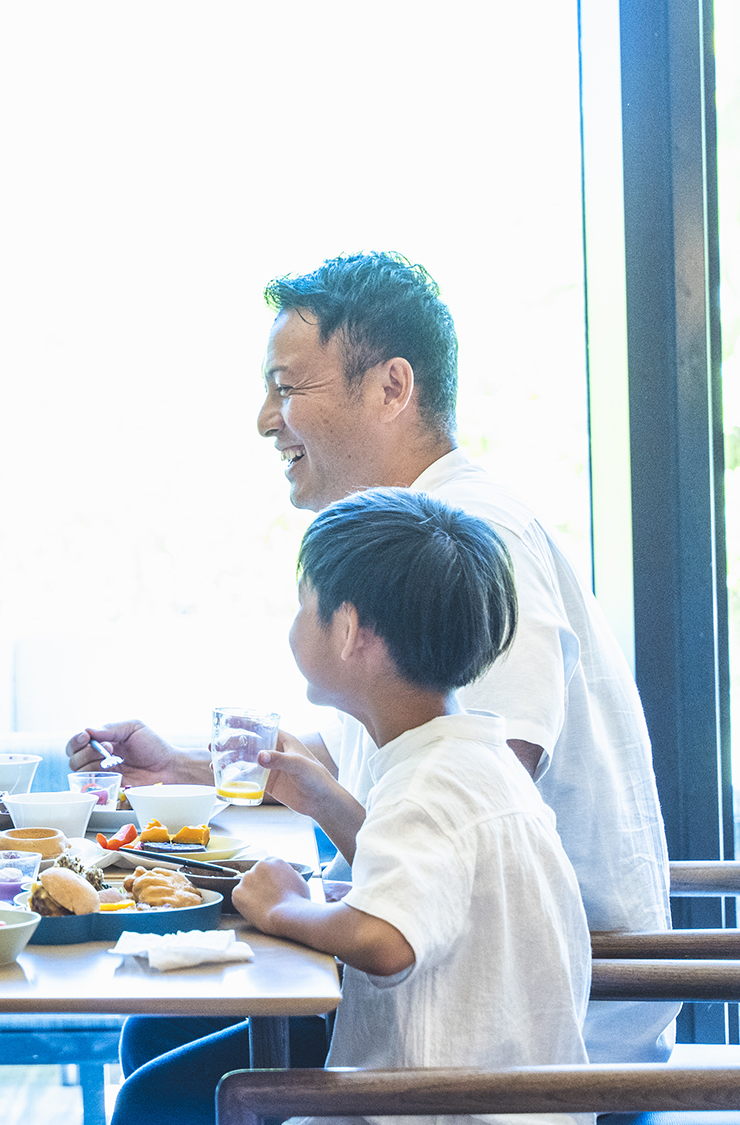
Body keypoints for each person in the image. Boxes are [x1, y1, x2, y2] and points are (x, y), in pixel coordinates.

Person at [68, 251, 674, 1064]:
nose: (264, 418)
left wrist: (294, 903)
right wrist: (184, 765)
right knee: (157, 1027)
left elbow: (461, 817)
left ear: (392, 386)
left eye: (287, 388)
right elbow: (397, 761)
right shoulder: (426, 542)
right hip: (458, 978)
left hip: (518, 1027)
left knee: (162, 1087)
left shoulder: (464, 543)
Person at [113, 488, 592, 1125]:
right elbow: (428, 880)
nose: (292, 625)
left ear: (348, 630)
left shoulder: (427, 784)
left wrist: (285, 908)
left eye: (303, 605)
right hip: (513, 1106)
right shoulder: (473, 757)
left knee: (152, 1104)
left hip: (431, 1109)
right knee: (162, 1058)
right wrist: (322, 801)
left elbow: (384, 939)